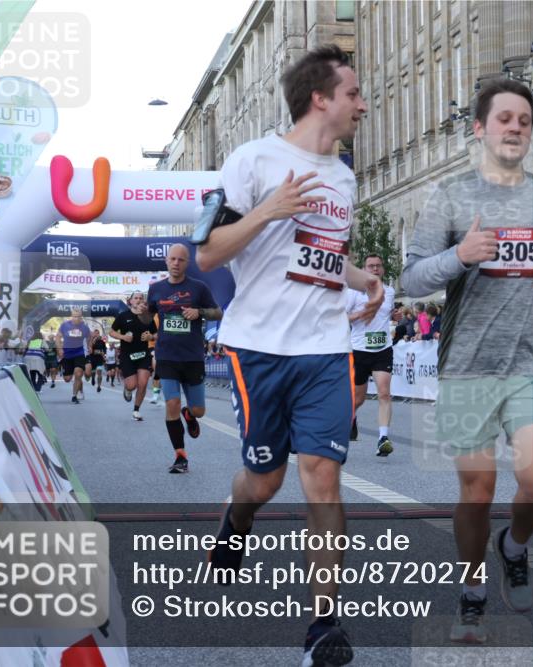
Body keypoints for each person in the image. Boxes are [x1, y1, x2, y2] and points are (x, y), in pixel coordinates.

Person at [196, 44, 379, 666]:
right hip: (259, 345)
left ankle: (323, 628)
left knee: (322, 478)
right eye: (353, 93)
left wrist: (365, 282)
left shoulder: (346, 175)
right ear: (320, 98)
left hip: (326, 347)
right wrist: (268, 209)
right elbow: (208, 253)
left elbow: (321, 255)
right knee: (264, 480)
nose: (363, 103)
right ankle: (235, 519)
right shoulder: (252, 160)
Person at [402, 77, 533, 644]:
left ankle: (514, 546)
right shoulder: (451, 197)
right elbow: (410, 278)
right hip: (466, 365)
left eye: (524, 121)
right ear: (480, 128)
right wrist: (459, 256)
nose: (515, 128)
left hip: (532, 359)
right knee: (477, 492)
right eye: (504, 119)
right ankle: (472, 592)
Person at [145, 244, 222, 473]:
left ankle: (189, 415)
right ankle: (180, 456)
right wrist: (140, 314)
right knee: (171, 403)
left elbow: (218, 312)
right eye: (173, 259)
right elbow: (149, 315)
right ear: (166, 261)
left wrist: (200, 312)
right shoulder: (156, 289)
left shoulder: (199, 288)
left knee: (198, 410)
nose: (176, 263)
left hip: (193, 357)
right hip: (167, 356)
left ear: (187, 263)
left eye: (181, 260)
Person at [346, 254, 396, 456]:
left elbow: (386, 314)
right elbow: (340, 318)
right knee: (358, 399)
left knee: (384, 393)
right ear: (364, 270)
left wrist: (395, 316)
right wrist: (357, 315)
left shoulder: (390, 292)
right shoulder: (354, 294)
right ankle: (351, 418)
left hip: (383, 350)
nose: (375, 269)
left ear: (382, 269)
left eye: (378, 265)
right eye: (370, 266)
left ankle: (383, 438)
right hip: (359, 350)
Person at [110, 290, 158, 421]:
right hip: (127, 356)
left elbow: (157, 334)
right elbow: (111, 332)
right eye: (135, 298)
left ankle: (136, 410)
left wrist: (151, 336)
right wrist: (123, 337)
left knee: (142, 383)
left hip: (144, 355)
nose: (138, 300)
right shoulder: (123, 316)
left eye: (141, 298)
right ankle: (127, 388)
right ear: (130, 301)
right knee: (133, 385)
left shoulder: (147, 317)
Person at [56, 308, 92, 404]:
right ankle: (68, 373)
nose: (76, 318)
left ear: (81, 317)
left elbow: (90, 337)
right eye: (74, 316)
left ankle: (74, 396)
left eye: (78, 316)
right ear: (71, 316)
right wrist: (59, 348)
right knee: (67, 379)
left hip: (79, 353)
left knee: (78, 373)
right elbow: (58, 337)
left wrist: (89, 346)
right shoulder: (65, 325)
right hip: (67, 354)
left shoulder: (84, 327)